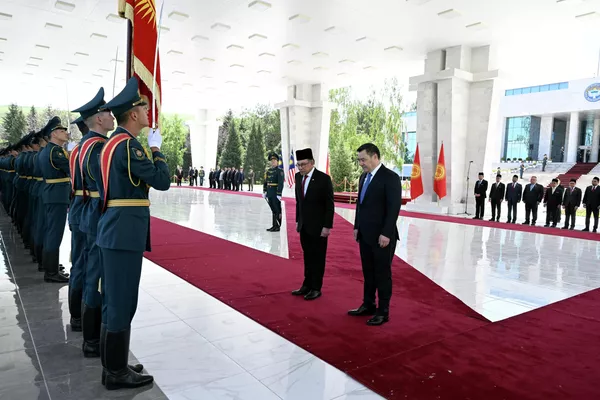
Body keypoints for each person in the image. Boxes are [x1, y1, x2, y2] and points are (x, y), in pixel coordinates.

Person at [96, 77, 171, 390]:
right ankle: (115, 372)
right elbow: (162, 181)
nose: (147, 112)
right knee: (122, 301)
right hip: (124, 230)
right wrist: (156, 149)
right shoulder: (129, 146)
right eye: (143, 107)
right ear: (133, 114)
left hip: (114, 228)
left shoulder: (110, 144)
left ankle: (113, 364)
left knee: (114, 299)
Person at [349, 143, 401, 326]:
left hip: (382, 237)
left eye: (363, 159)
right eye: (359, 160)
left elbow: (394, 208)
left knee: (382, 274)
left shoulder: (390, 177)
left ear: (375, 157)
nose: (361, 163)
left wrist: (386, 233)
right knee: (368, 272)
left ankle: (383, 311)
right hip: (365, 234)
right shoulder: (364, 177)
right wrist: (357, 226)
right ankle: (368, 304)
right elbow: (360, 205)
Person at [292, 148, 334, 301]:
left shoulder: (323, 179)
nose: (301, 168)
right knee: (308, 256)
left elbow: (329, 205)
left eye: (303, 164)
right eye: (298, 165)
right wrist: (298, 220)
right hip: (304, 225)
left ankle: (316, 287)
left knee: (318, 257)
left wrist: (327, 226)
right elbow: (299, 202)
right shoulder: (298, 177)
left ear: (312, 163)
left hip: (319, 227)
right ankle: (307, 284)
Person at [39, 117, 71, 283]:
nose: (66, 133)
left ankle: (50, 267)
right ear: (53, 134)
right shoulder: (55, 152)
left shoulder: (48, 150)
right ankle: (51, 272)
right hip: (57, 195)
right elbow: (71, 168)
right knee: (54, 233)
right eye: (62, 131)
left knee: (51, 231)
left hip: (52, 194)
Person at [263, 154, 284, 232]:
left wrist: (279, 194)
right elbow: (265, 181)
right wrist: (264, 191)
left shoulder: (280, 171)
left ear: (277, 161)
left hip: (275, 193)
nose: (273, 162)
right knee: (273, 210)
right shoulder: (268, 171)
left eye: (274, 161)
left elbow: (280, 183)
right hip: (269, 192)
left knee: (277, 209)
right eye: (272, 161)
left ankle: (278, 225)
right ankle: (274, 225)